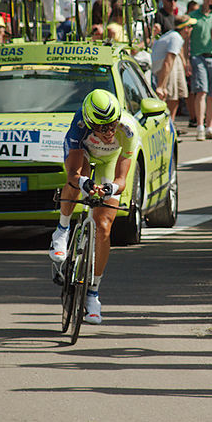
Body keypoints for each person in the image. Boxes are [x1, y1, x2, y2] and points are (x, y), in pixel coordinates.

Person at [49, 90, 138, 324]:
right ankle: (62, 229)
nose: (109, 133)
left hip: (110, 161)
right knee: (76, 183)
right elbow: (73, 173)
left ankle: (93, 293)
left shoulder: (127, 129)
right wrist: (84, 183)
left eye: (112, 126)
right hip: (85, 156)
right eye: (102, 128)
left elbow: (121, 179)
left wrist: (109, 189)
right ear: (90, 123)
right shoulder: (79, 125)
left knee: (104, 227)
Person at [188, 0, 212, 141]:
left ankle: (210, 127)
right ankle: (200, 127)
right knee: (201, 91)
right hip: (198, 56)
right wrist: (185, 58)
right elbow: (185, 38)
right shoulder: (193, 15)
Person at [152, 15, 196, 121]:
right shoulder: (176, 38)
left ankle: (171, 124)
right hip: (163, 68)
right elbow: (167, 62)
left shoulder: (175, 36)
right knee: (170, 96)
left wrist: (185, 65)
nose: (192, 29)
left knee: (176, 97)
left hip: (172, 65)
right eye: (190, 26)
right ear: (185, 28)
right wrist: (161, 86)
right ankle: (167, 125)